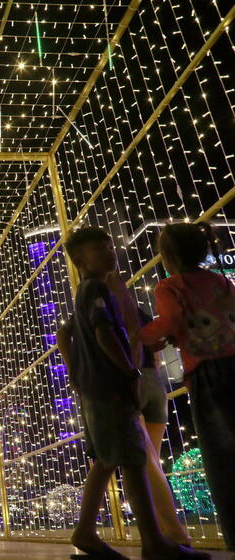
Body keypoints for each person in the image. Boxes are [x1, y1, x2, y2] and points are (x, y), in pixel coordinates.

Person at [61, 226, 206, 560]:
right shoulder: (96, 289)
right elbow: (104, 333)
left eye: (110, 245)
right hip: (111, 386)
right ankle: (154, 542)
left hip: (99, 387)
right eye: (99, 248)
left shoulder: (93, 290)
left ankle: (85, 531)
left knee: (109, 460)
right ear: (79, 258)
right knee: (134, 457)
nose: (110, 251)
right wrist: (129, 372)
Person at [140, 222, 235, 551]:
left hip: (207, 374)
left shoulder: (169, 287)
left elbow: (171, 321)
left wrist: (141, 339)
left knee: (221, 455)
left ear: (166, 256)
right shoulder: (223, 281)